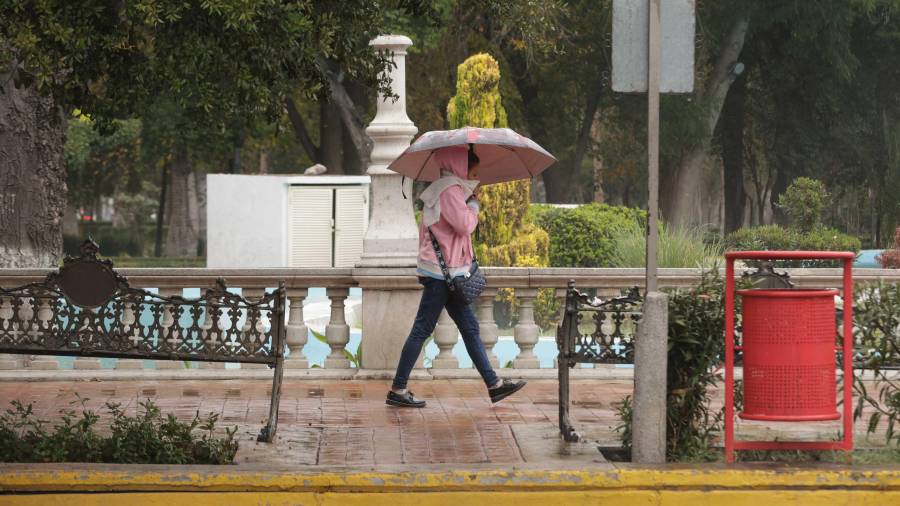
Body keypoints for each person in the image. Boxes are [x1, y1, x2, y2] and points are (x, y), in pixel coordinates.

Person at [387, 145, 527, 408]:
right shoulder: (449, 190)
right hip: (443, 274)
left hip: (445, 273)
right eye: (472, 171)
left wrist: (468, 198)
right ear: (460, 167)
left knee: (469, 328)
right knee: (422, 329)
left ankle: (494, 385)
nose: (475, 177)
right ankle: (398, 388)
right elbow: (465, 226)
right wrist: (473, 203)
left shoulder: (446, 189)